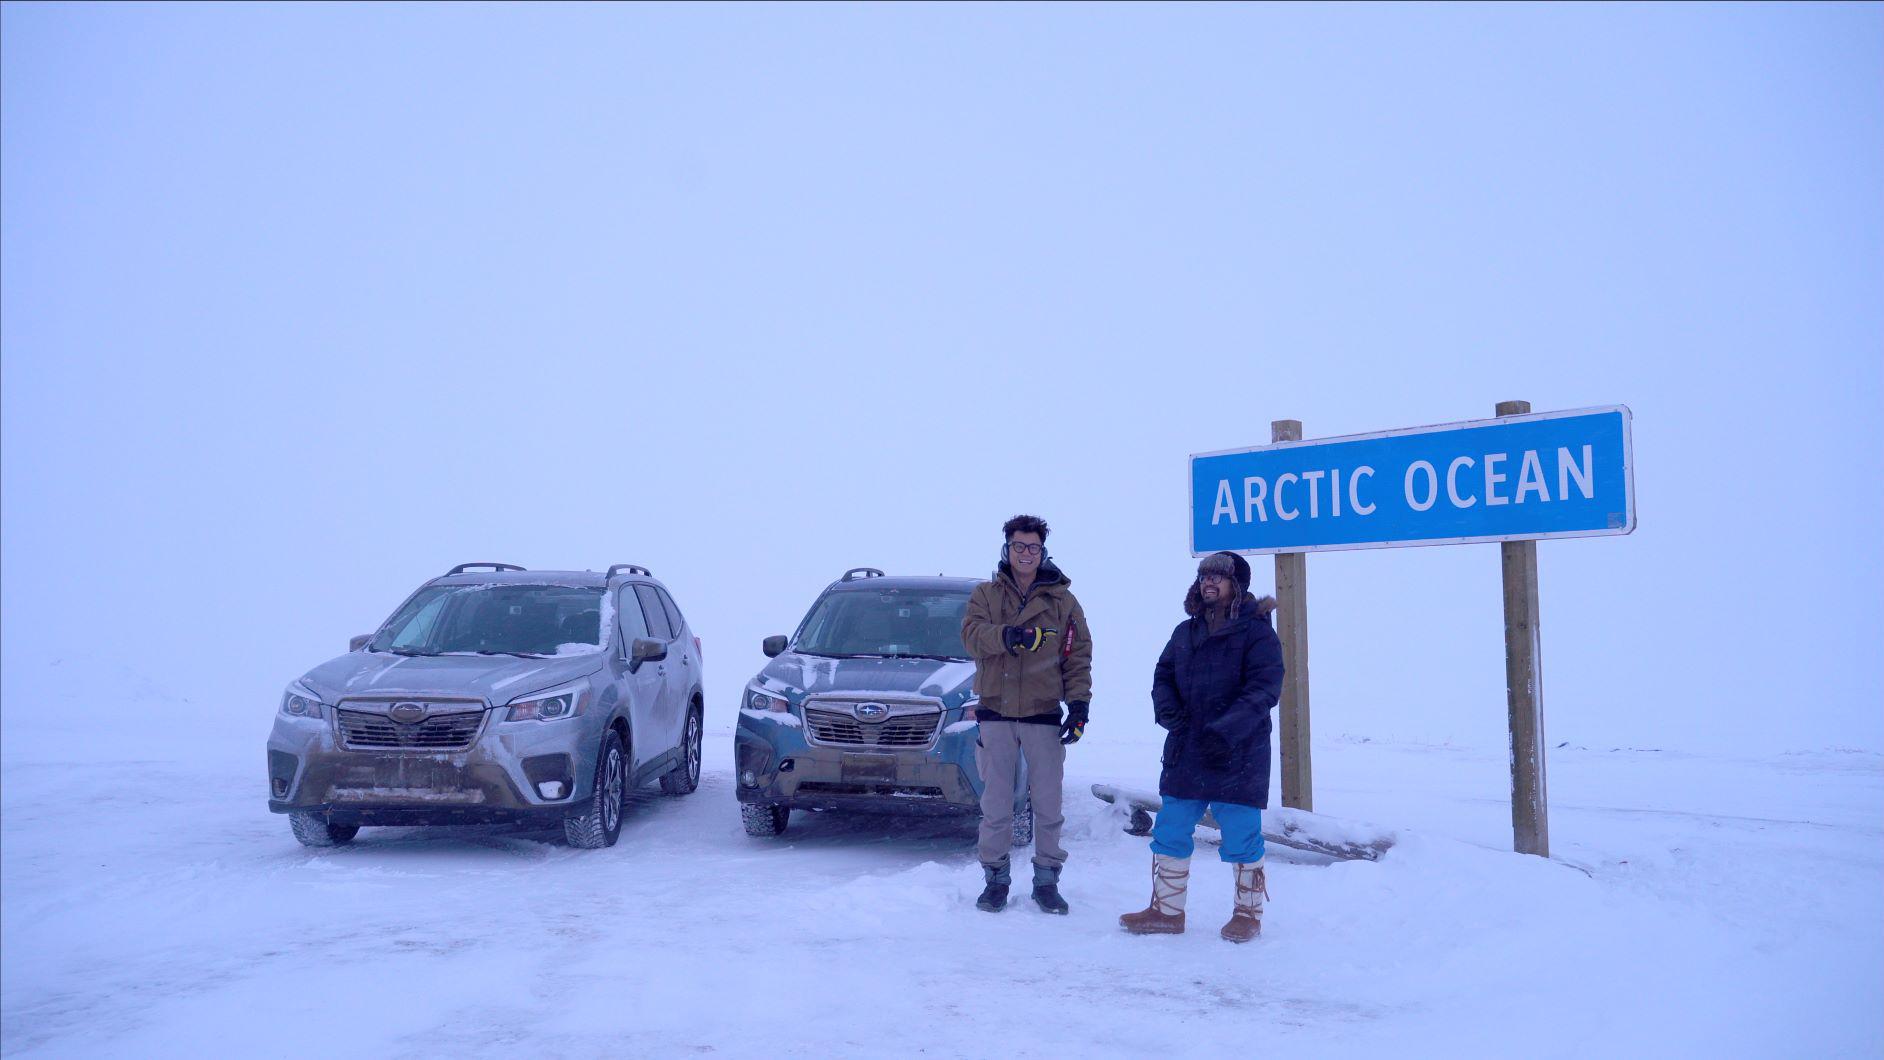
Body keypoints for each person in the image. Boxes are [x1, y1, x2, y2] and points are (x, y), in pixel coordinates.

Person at [1120, 551, 1284, 943]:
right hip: (1187, 748)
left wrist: (1224, 731)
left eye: (1219, 577)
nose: (1209, 582)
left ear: (1237, 585)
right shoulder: (1185, 632)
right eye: (1204, 576)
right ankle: (1166, 911)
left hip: (1239, 753)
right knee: (1172, 827)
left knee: (1242, 836)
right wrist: (1167, 710)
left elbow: (1264, 690)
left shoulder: (1258, 633)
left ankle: (1248, 914)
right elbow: (1163, 674)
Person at [961, 514, 1093, 915]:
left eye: (1033, 547)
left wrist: (1080, 705)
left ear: (1042, 551)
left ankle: (1047, 882)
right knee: (997, 804)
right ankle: (995, 881)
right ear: (1007, 549)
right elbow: (971, 636)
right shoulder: (986, 595)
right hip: (996, 711)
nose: (1025, 554)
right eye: (1019, 546)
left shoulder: (1063, 601)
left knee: (1049, 804)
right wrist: (1008, 636)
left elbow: (1078, 656)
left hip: (1043, 713)